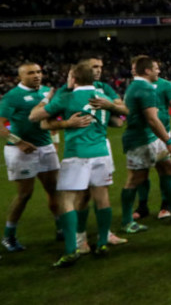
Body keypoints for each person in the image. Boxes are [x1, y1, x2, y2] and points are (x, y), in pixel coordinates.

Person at [29, 62, 118, 267]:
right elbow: (119, 119)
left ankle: (72, 250)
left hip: (77, 153)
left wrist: (50, 97)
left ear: (74, 79)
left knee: (66, 200)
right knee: (102, 197)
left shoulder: (67, 97)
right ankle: (103, 242)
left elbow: (35, 117)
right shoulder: (103, 97)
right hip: (101, 153)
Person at [55, 55, 129, 251]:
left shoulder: (105, 88)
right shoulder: (68, 92)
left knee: (100, 190)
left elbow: (121, 112)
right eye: (94, 67)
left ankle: (104, 234)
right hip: (82, 146)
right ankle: (81, 238)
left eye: (100, 67)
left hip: (101, 144)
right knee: (84, 194)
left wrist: (111, 107)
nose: (98, 70)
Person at [120, 55, 171, 233]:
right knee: (135, 178)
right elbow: (152, 120)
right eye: (155, 69)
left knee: (167, 167)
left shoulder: (137, 86)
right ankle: (126, 221)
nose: (158, 71)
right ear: (147, 71)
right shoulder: (144, 88)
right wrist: (169, 141)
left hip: (150, 139)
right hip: (140, 140)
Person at [0, 62, 67, 252]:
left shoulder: (47, 92)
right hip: (20, 150)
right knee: (24, 194)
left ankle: (61, 227)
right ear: (20, 76)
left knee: (54, 189)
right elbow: (0, 124)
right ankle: (9, 236)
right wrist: (18, 142)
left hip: (46, 148)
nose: (36, 75)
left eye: (39, 71)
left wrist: (54, 140)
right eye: (31, 73)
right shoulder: (12, 96)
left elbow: (51, 118)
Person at [133, 58, 171, 221]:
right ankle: (142, 206)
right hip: (140, 136)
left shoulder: (165, 85)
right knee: (141, 172)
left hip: (161, 134)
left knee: (166, 168)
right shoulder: (135, 87)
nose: (133, 71)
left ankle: (166, 206)